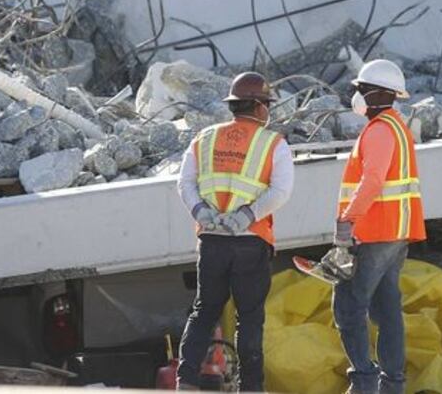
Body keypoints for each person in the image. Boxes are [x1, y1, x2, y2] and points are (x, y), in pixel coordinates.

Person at [175, 72, 294, 392]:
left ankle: (186, 382)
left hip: (212, 241)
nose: (268, 110)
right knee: (249, 317)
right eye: (267, 104)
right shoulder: (273, 144)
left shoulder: (204, 139)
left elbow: (185, 183)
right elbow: (281, 191)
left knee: (204, 310)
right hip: (250, 242)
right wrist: (247, 216)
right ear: (259, 106)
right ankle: (250, 387)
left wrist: (200, 211)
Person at [319, 59, 425, 394]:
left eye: (362, 89)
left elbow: (373, 180)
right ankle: (392, 385)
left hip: (375, 232)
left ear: (380, 93)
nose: (357, 95)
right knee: (387, 309)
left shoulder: (379, 130)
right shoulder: (397, 127)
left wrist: (347, 220)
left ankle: (363, 382)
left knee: (348, 305)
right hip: (395, 233)